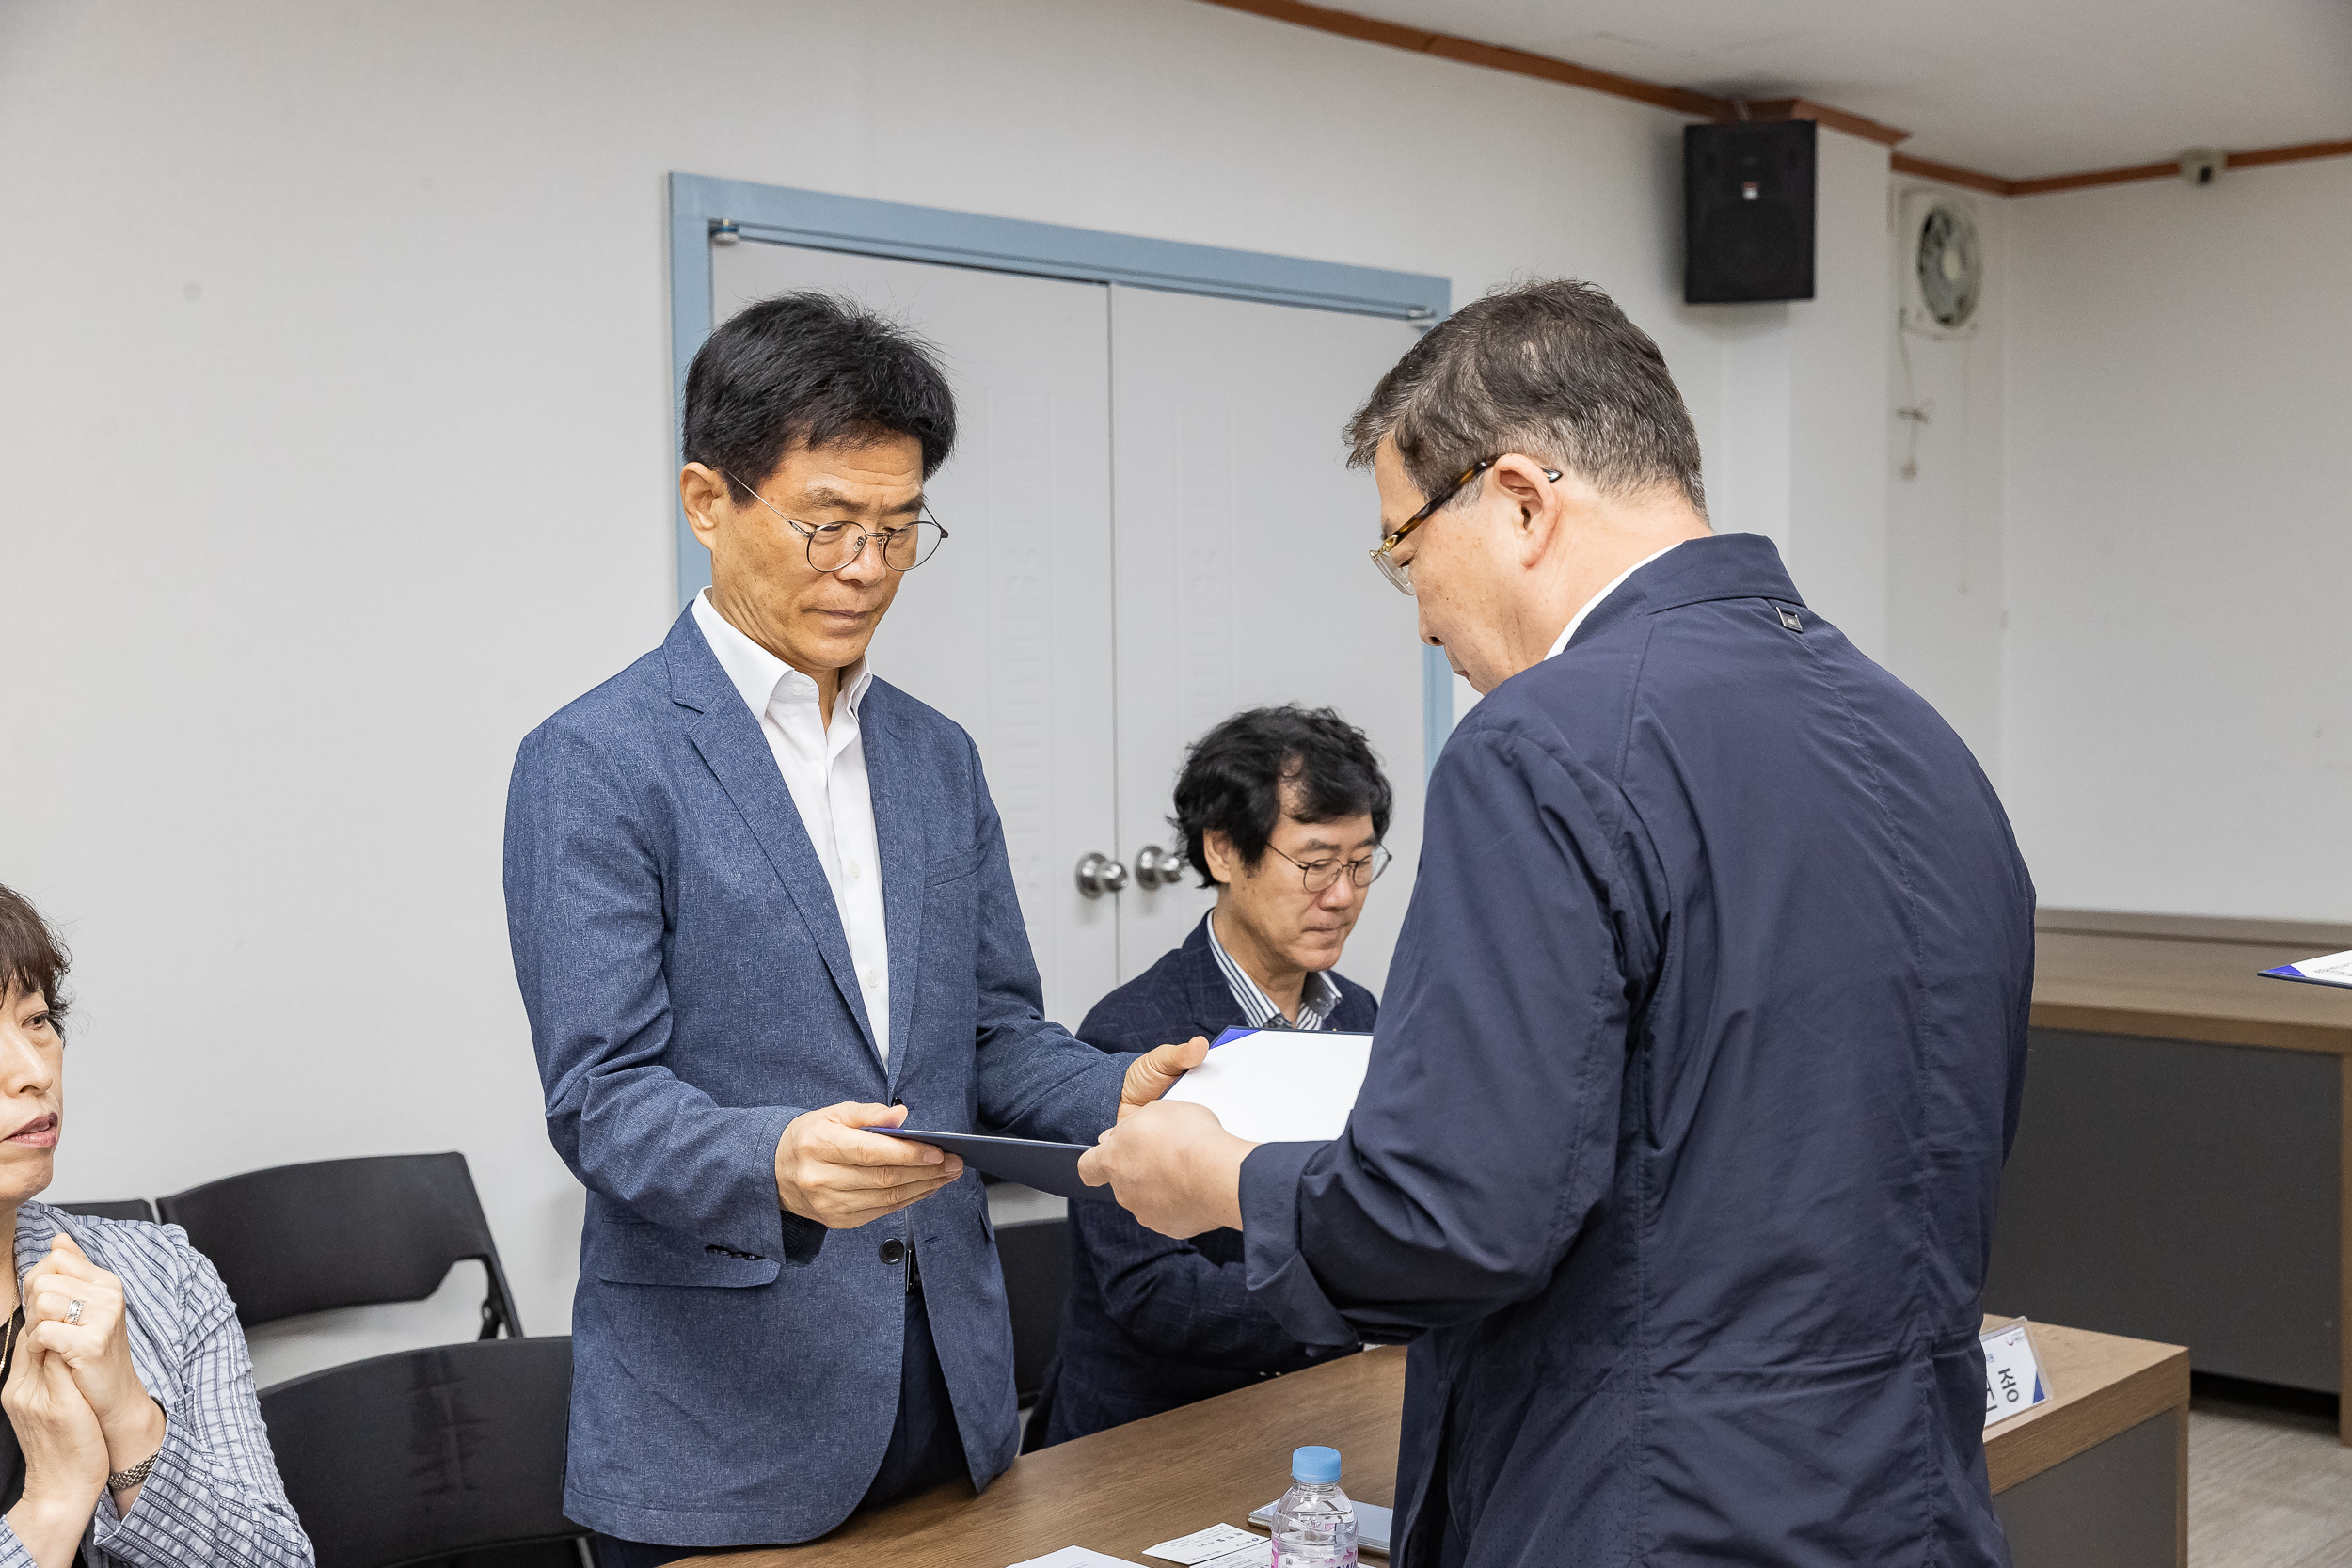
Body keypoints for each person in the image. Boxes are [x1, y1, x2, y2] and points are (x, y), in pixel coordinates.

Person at [1081, 279, 2035, 1565]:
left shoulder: (1545, 746)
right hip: (1907, 1498)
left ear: (1522, 500)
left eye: (1406, 555)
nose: (1418, 619)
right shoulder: (1924, 744)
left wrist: (1221, 1180)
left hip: (1652, 1509)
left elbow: (1449, 1224)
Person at [501, 292, 1203, 1562]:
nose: (866, 568)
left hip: (953, 1391)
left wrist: (1117, 1088)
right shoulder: (596, 761)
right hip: (722, 1428)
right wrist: (773, 1157)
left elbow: (990, 1028)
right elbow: (599, 1094)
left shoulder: (936, 756)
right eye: (827, 524)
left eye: (898, 528)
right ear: (707, 501)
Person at [1027, 706, 1390, 1449]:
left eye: (1361, 862)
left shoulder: (1360, 1013)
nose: (1344, 894)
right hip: (1144, 1435)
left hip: (1314, 1414)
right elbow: (1153, 1290)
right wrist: (1366, 1302)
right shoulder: (1132, 1032)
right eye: (1316, 863)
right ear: (1223, 850)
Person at [0, 885, 312, 1568]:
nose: (32, 1071)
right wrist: (50, 1506)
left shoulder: (164, 1275)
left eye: (38, 1019)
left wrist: (133, 1426)